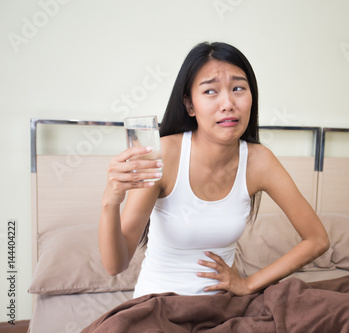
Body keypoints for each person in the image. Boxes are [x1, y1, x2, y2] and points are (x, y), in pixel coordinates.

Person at [99, 41, 330, 298]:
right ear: (189, 105)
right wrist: (111, 200)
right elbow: (115, 265)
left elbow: (317, 239)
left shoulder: (260, 161)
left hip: (224, 311)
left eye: (238, 88)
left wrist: (249, 283)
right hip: (159, 307)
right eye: (211, 91)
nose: (228, 103)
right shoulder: (163, 155)